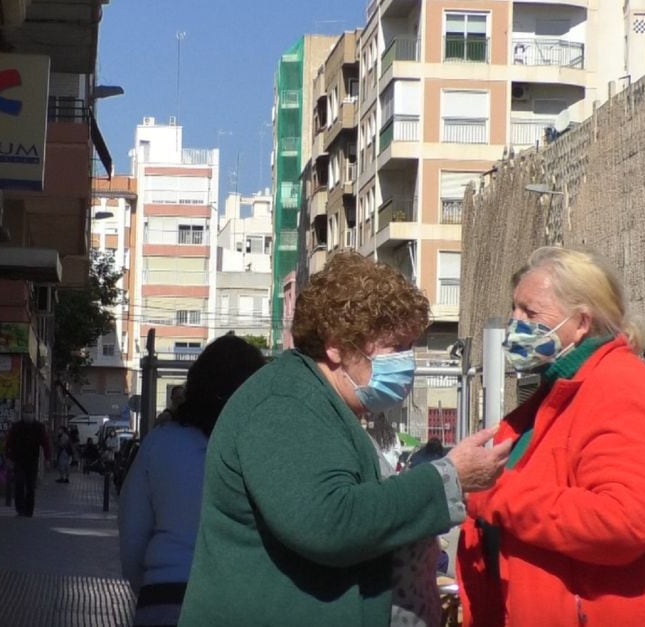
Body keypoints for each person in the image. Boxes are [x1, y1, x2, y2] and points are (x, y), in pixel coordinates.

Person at [178, 251, 510, 626]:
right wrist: (448, 479)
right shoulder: (285, 403)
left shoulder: (319, 402)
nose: (408, 362)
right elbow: (329, 523)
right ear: (336, 345)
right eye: (396, 348)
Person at [456, 246, 645, 625]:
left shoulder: (618, 388)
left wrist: (492, 493)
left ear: (581, 322)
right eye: (515, 309)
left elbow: (621, 521)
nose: (515, 324)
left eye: (530, 313)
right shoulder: (558, 391)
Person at [119, 334, 266, 626]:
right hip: (242, 603)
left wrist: (148, 585)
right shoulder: (265, 450)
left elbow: (132, 534)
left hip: (164, 597)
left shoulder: (160, 444)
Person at [4, 406, 52, 517]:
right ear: (23, 413)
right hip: (19, 460)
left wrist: (47, 458)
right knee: (19, 484)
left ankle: (29, 510)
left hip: (32, 460)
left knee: (31, 486)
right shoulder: (16, 427)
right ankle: (20, 508)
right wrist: (8, 457)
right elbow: (9, 443)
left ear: (33, 413)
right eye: (26, 412)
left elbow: (45, 443)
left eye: (30, 412)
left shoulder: (39, 427)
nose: (28, 414)